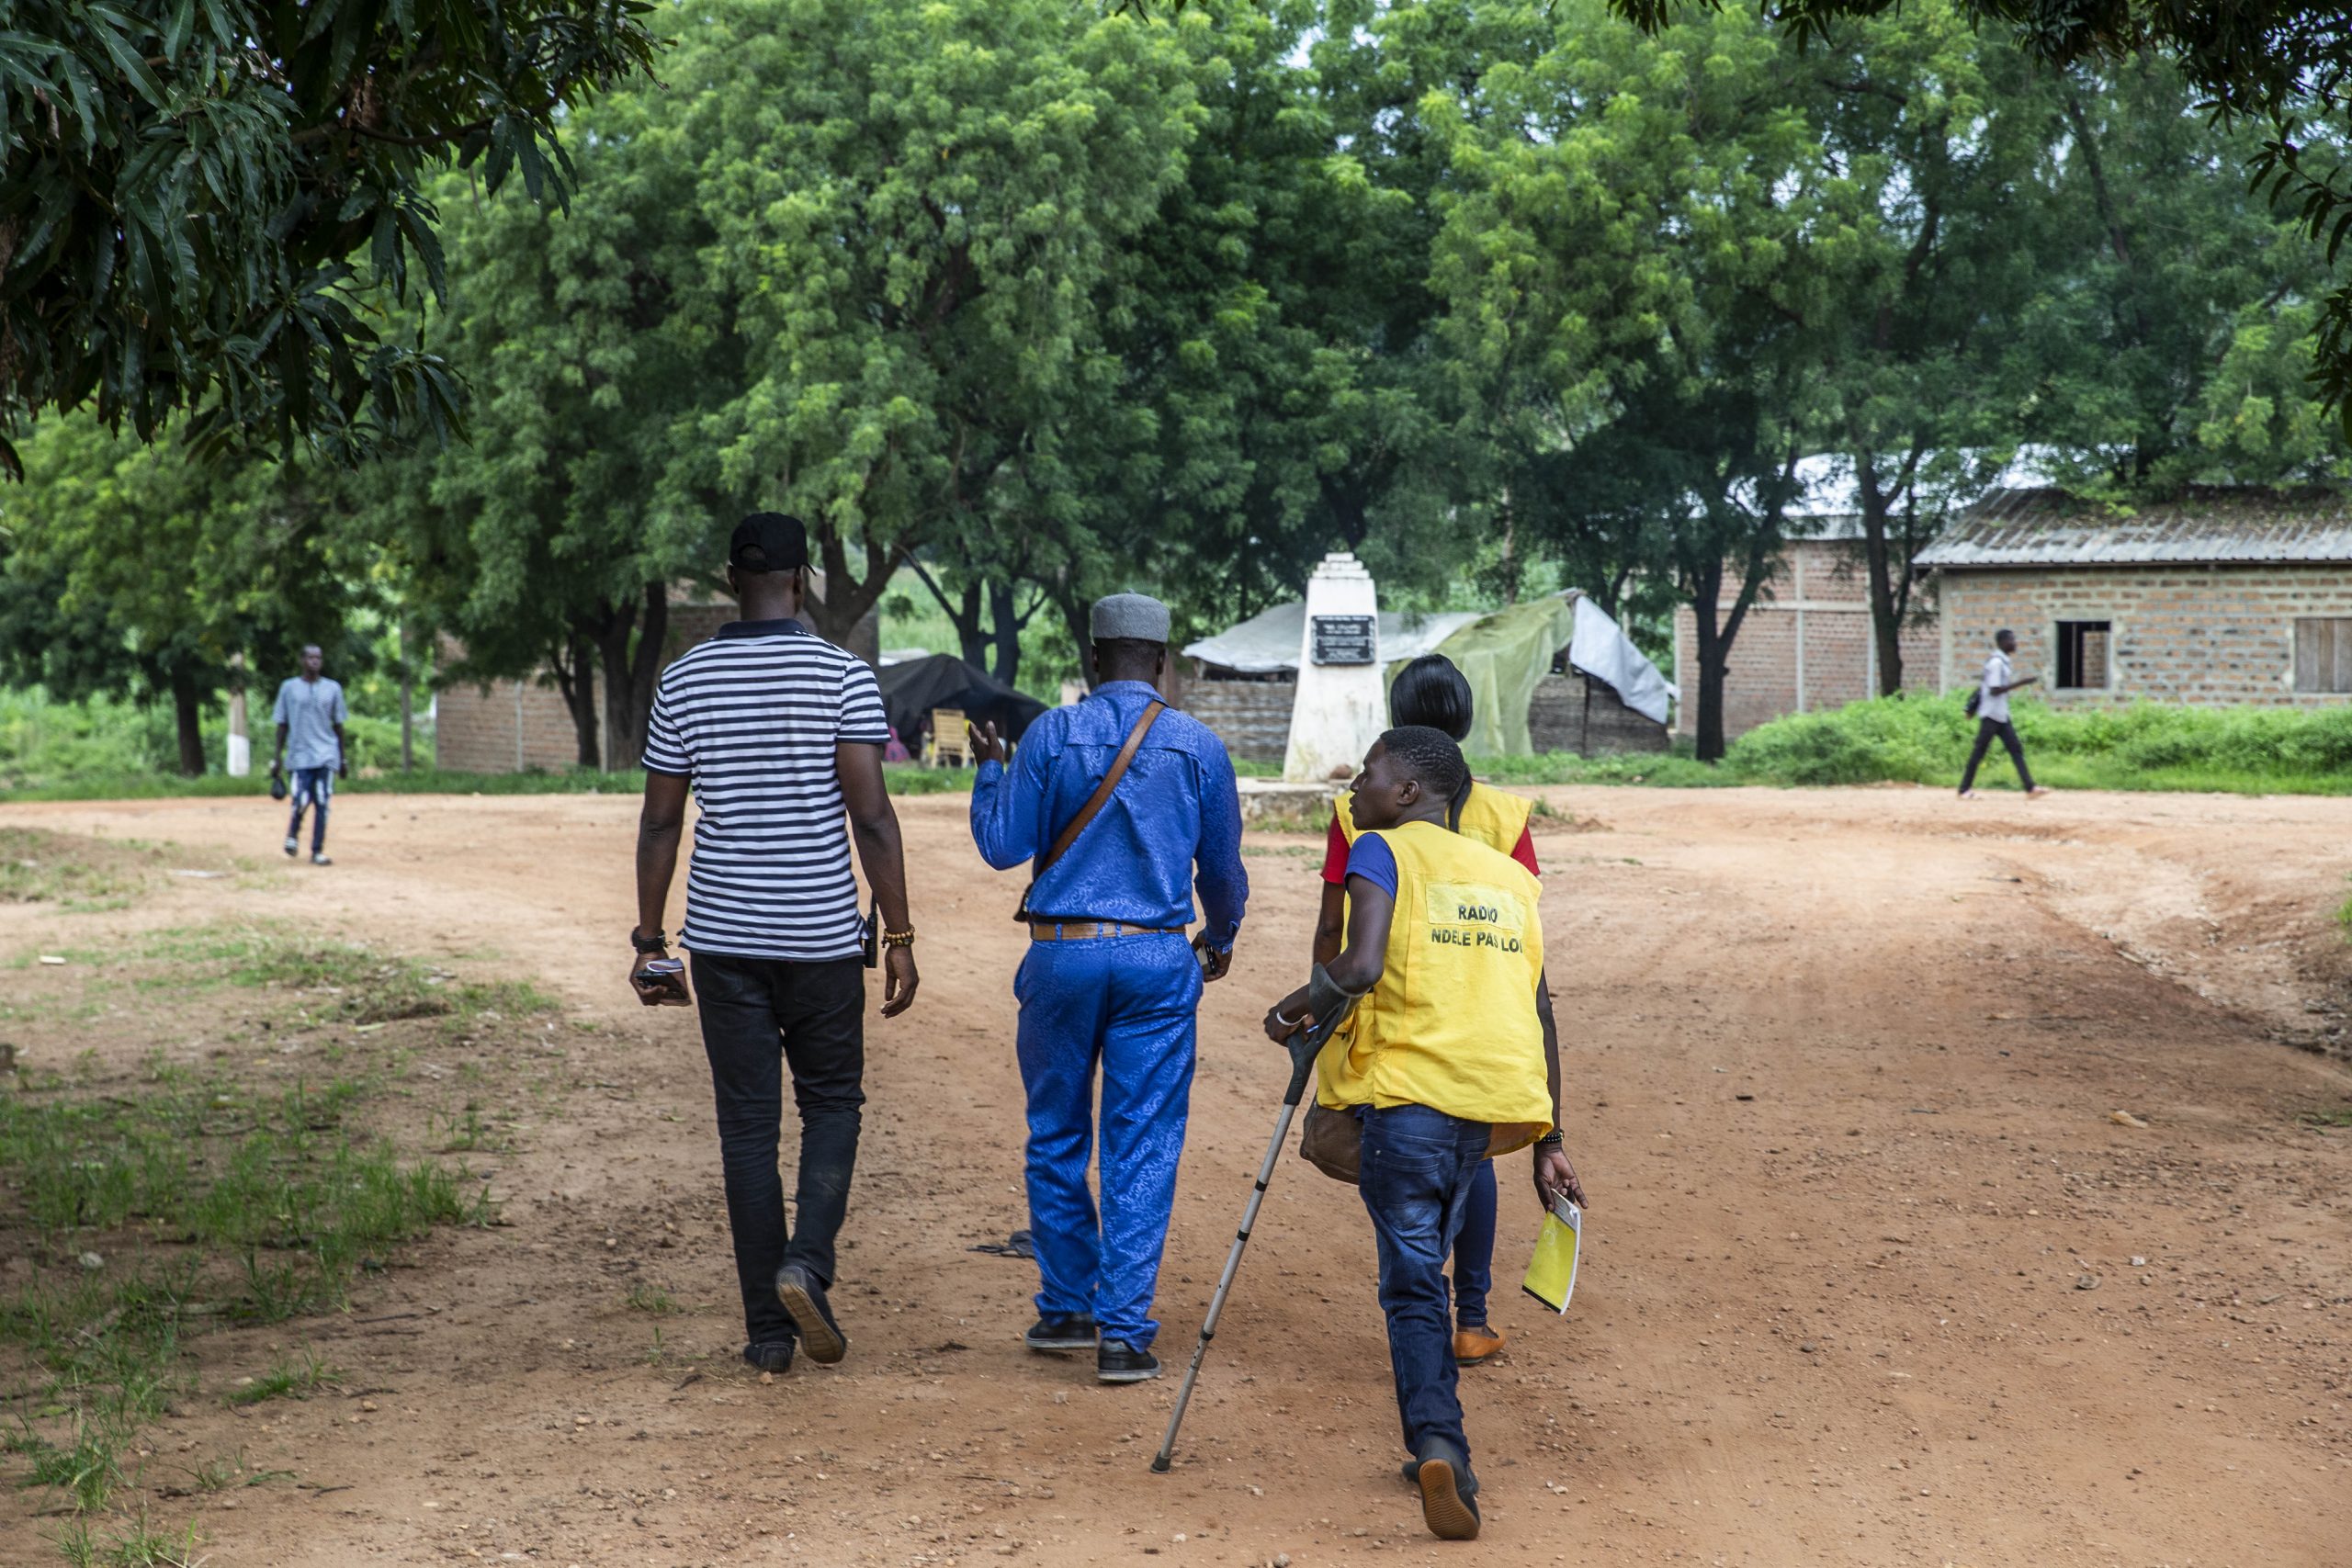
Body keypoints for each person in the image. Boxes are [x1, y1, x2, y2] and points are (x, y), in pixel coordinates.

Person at [1265, 727, 1580, 1543]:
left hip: (1406, 1100)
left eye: (1369, 772)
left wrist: (1294, 1006)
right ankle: (1439, 1447)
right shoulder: (1510, 879)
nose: (1355, 784)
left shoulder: (1382, 850)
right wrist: (1550, 1138)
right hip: (1483, 1105)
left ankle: (1441, 1444)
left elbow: (1361, 963)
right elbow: (1541, 1009)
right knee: (1428, 1267)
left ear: (1407, 792)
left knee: (1412, 1285)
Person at [630, 513, 920, 1377]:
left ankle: (767, 1331)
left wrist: (650, 938)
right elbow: (872, 816)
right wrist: (899, 934)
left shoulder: (684, 678)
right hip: (822, 938)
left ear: (732, 579)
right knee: (832, 1105)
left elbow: (660, 822)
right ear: (802, 581)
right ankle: (807, 1265)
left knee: (747, 1128)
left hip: (723, 941)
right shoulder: (842, 674)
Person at [967, 593, 1249, 1385]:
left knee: (1055, 1130)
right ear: (1160, 661)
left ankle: (1066, 1306)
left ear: (1094, 658)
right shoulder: (1198, 745)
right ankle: (1123, 1333)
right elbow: (1222, 873)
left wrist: (990, 770)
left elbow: (1001, 845)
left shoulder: (1049, 733)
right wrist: (1219, 937)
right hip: (1156, 961)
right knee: (1141, 1142)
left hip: (1061, 956)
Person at [1314, 655, 1544, 1370]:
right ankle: (1471, 1317)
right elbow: (1524, 924)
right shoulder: (1504, 814)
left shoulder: (1363, 806)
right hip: (1483, 1006)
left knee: (1394, 1145)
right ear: (1466, 720)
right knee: (1473, 1152)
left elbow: (1333, 924)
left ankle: (1419, 1303)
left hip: (1391, 1010)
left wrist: (1321, 1001)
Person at [272, 644, 348, 866]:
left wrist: (343, 759)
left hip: (326, 753)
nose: (315, 661)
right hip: (299, 754)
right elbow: (282, 724)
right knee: (302, 799)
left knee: (322, 800)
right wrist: (277, 758)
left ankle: (317, 850)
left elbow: (339, 726)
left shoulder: (332, 689)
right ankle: (293, 833)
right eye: (310, 657)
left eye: (318, 658)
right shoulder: (289, 688)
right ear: (302, 660)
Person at [1960, 628, 2050, 799]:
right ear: (2002, 642)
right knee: (1979, 751)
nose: (2015, 643)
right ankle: (1964, 790)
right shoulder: (1997, 663)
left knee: (2015, 748)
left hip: (2000, 715)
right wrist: (2021, 683)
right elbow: (1994, 690)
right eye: (2011, 640)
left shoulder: (2003, 661)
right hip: (1991, 715)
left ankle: (2030, 788)